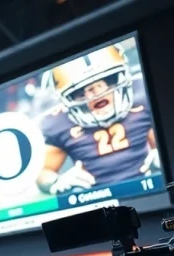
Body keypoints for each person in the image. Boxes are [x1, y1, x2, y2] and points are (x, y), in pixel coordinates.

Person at [38, 44, 161, 195]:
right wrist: (56, 181)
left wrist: (162, 156)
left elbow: (158, 144)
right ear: (67, 98)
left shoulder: (142, 95)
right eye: (81, 91)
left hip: (148, 187)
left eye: (103, 82)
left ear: (119, 79)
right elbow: (44, 172)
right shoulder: (58, 122)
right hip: (96, 200)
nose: (95, 94)